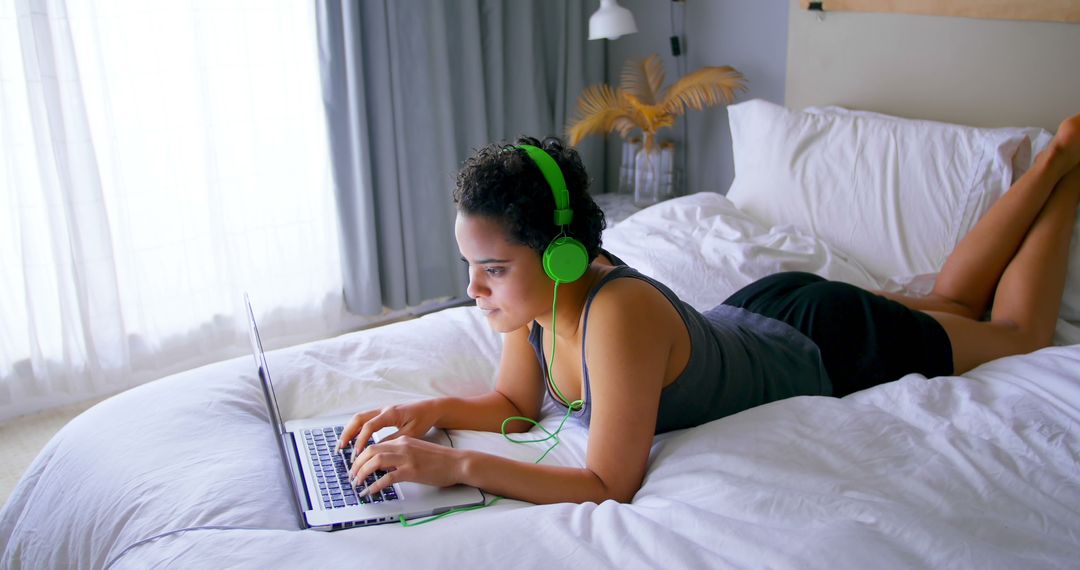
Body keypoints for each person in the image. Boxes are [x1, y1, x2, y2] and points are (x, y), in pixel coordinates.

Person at [338, 115, 1080, 506]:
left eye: (492, 270)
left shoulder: (615, 311)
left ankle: (1063, 169)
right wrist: (423, 411)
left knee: (1015, 335)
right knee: (947, 303)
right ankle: (1053, 166)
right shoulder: (534, 304)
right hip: (764, 307)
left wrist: (457, 463)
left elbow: (608, 483)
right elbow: (514, 403)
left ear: (560, 254)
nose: (474, 292)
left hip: (827, 342)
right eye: (470, 268)